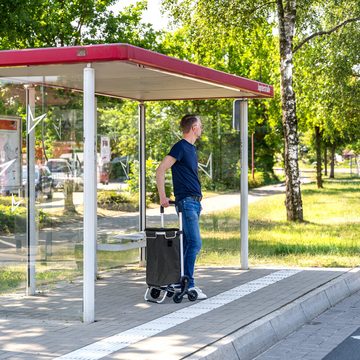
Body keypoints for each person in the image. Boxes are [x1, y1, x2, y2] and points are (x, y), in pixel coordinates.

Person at [156, 114, 207, 300]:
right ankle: (189, 285)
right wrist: (163, 196)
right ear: (194, 128)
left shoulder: (191, 149)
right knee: (195, 242)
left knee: (187, 244)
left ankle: (181, 281)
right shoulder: (180, 147)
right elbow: (160, 170)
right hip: (186, 202)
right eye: (200, 126)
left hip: (194, 203)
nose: (201, 129)